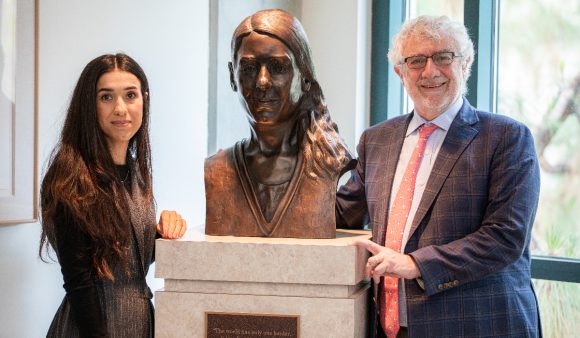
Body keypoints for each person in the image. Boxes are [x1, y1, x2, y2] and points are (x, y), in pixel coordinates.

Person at [336, 15, 541, 338]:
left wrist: (416, 264)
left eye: (443, 57)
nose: (430, 71)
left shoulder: (506, 138)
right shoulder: (377, 140)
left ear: (466, 63)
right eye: (416, 60)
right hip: (390, 326)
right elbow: (339, 210)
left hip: (476, 325)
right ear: (400, 72)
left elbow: (505, 237)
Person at [39, 53, 187, 338]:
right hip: (91, 328)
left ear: (144, 100)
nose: (121, 108)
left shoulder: (134, 173)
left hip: (137, 321)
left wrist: (162, 233)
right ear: (89, 106)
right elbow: (79, 281)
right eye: (106, 97)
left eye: (130, 95)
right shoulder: (70, 175)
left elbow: (125, 260)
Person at [204, 9, 354, 239]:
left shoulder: (330, 163)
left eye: (278, 67)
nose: (262, 82)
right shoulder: (217, 170)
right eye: (249, 68)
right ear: (231, 76)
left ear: (305, 78)